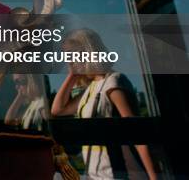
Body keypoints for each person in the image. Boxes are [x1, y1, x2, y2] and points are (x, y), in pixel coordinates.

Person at [51, 28, 158, 180]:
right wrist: (72, 76)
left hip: (113, 174)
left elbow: (136, 133)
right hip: (94, 174)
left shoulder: (112, 82)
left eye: (72, 55)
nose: (69, 61)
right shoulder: (91, 88)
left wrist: (153, 176)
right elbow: (58, 110)